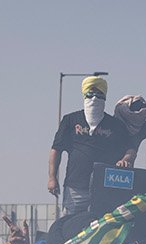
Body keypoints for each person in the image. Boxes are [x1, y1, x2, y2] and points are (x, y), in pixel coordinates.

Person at [49, 76, 137, 218]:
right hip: (76, 187)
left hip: (105, 189)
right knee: (69, 225)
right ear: (84, 96)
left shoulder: (116, 125)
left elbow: (130, 147)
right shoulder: (70, 120)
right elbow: (56, 149)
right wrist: (52, 177)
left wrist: (126, 159)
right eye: (90, 94)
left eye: (99, 95)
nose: (94, 99)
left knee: (104, 227)